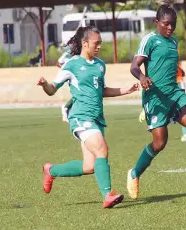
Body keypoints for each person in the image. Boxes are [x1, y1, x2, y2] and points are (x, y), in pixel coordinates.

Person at [37, 26, 139, 208]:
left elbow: (102, 91)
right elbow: (52, 89)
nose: (99, 47)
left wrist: (126, 90)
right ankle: (107, 195)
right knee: (102, 149)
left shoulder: (100, 65)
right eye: (96, 43)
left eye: (100, 43)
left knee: (89, 166)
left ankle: (51, 170)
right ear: (85, 43)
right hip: (80, 117)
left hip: (97, 119)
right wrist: (45, 84)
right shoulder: (72, 64)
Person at [126, 5, 186, 200]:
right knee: (159, 143)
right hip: (155, 97)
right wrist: (142, 77)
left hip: (175, 94)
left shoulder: (173, 42)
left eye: (173, 24)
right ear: (157, 23)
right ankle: (134, 173)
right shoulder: (149, 40)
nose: (170, 28)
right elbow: (134, 66)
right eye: (166, 24)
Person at [138, 51, 186, 142]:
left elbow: (181, 77)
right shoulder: (169, 67)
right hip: (173, 89)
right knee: (178, 111)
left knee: (182, 111)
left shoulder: (175, 67)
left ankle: (185, 133)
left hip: (176, 88)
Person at [56, 44, 74, 122]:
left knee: (79, 94)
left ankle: (67, 109)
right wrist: (65, 69)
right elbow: (58, 63)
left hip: (76, 76)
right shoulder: (66, 55)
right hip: (70, 76)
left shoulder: (78, 55)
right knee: (79, 94)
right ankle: (66, 108)